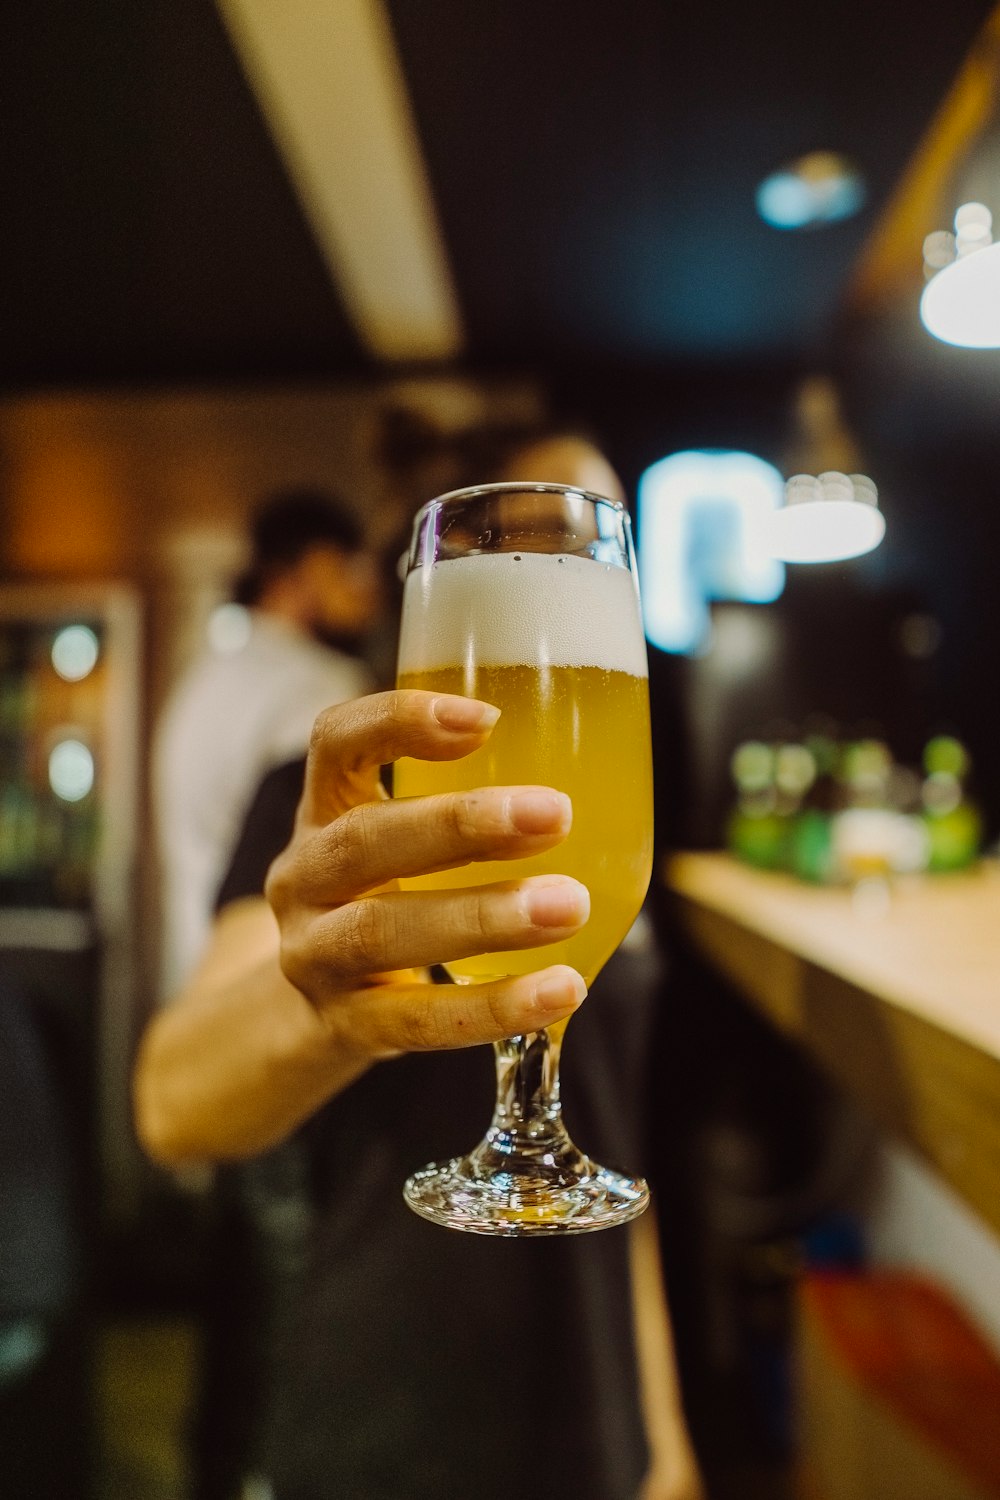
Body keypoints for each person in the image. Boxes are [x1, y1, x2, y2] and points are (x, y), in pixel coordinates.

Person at [136, 451, 703, 1500]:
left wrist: (664, 1435)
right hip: (381, 1429)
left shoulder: (612, 802)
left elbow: (617, 1138)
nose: (569, 569)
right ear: (437, 578)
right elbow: (171, 1104)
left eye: (599, 535)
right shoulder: (331, 809)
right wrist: (329, 1015)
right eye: (535, 534)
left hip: (601, 1439)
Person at [153, 488, 380, 996]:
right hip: (270, 990)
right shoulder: (322, 688)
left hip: (193, 979)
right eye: (348, 571)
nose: (366, 594)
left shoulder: (200, 681)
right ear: (298, 574)